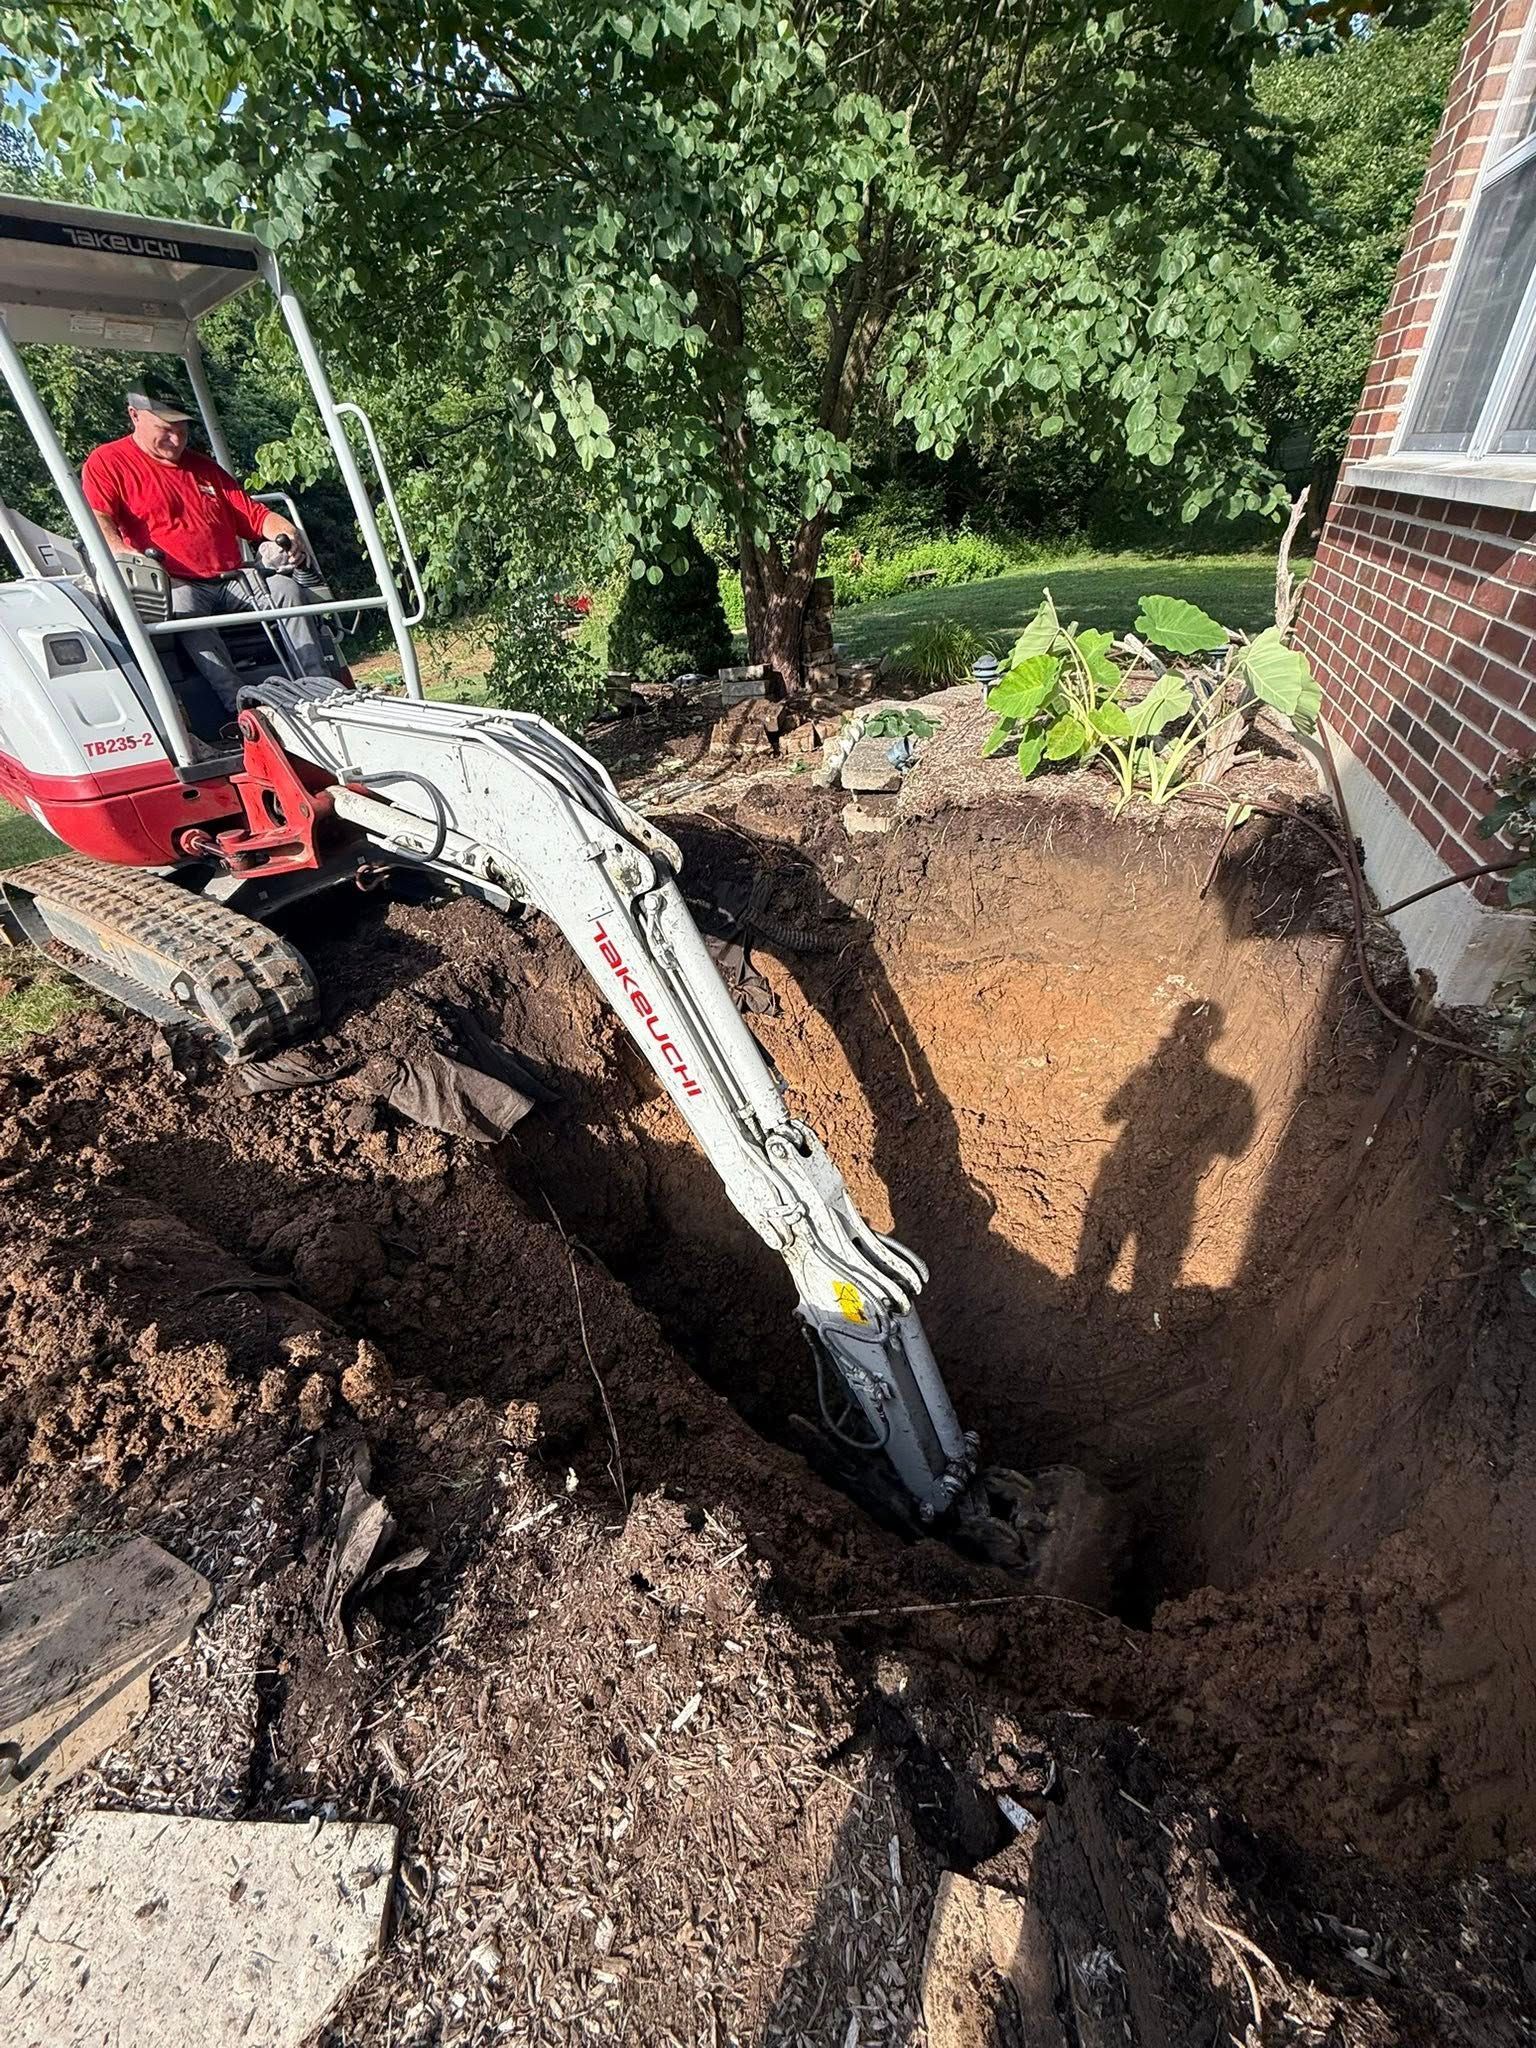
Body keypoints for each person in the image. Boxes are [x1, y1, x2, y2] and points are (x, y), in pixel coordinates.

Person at [81, 381, 339, 715]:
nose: (176, 439)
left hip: (233, 578)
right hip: (174, 583)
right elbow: (99, 520)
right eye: (165, 429)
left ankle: (319, 692)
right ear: (134, 416)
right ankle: (239, 707)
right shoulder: (109, 462)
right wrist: (120, 552)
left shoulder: (204, 469)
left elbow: (256, 516)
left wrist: (285, 532)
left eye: (182, 430)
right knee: (185, 608)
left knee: (286, 588)